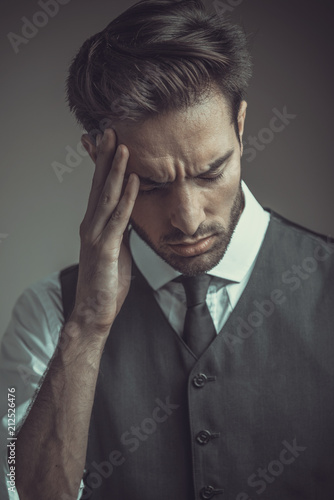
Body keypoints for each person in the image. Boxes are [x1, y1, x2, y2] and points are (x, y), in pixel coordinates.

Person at [1, 0, 334, 499]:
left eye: (210, 173)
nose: (189, 217)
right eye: (152, 185)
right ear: (97, 157)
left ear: (240, 129)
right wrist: (88, 324)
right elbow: (19, 489)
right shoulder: (46, 316)